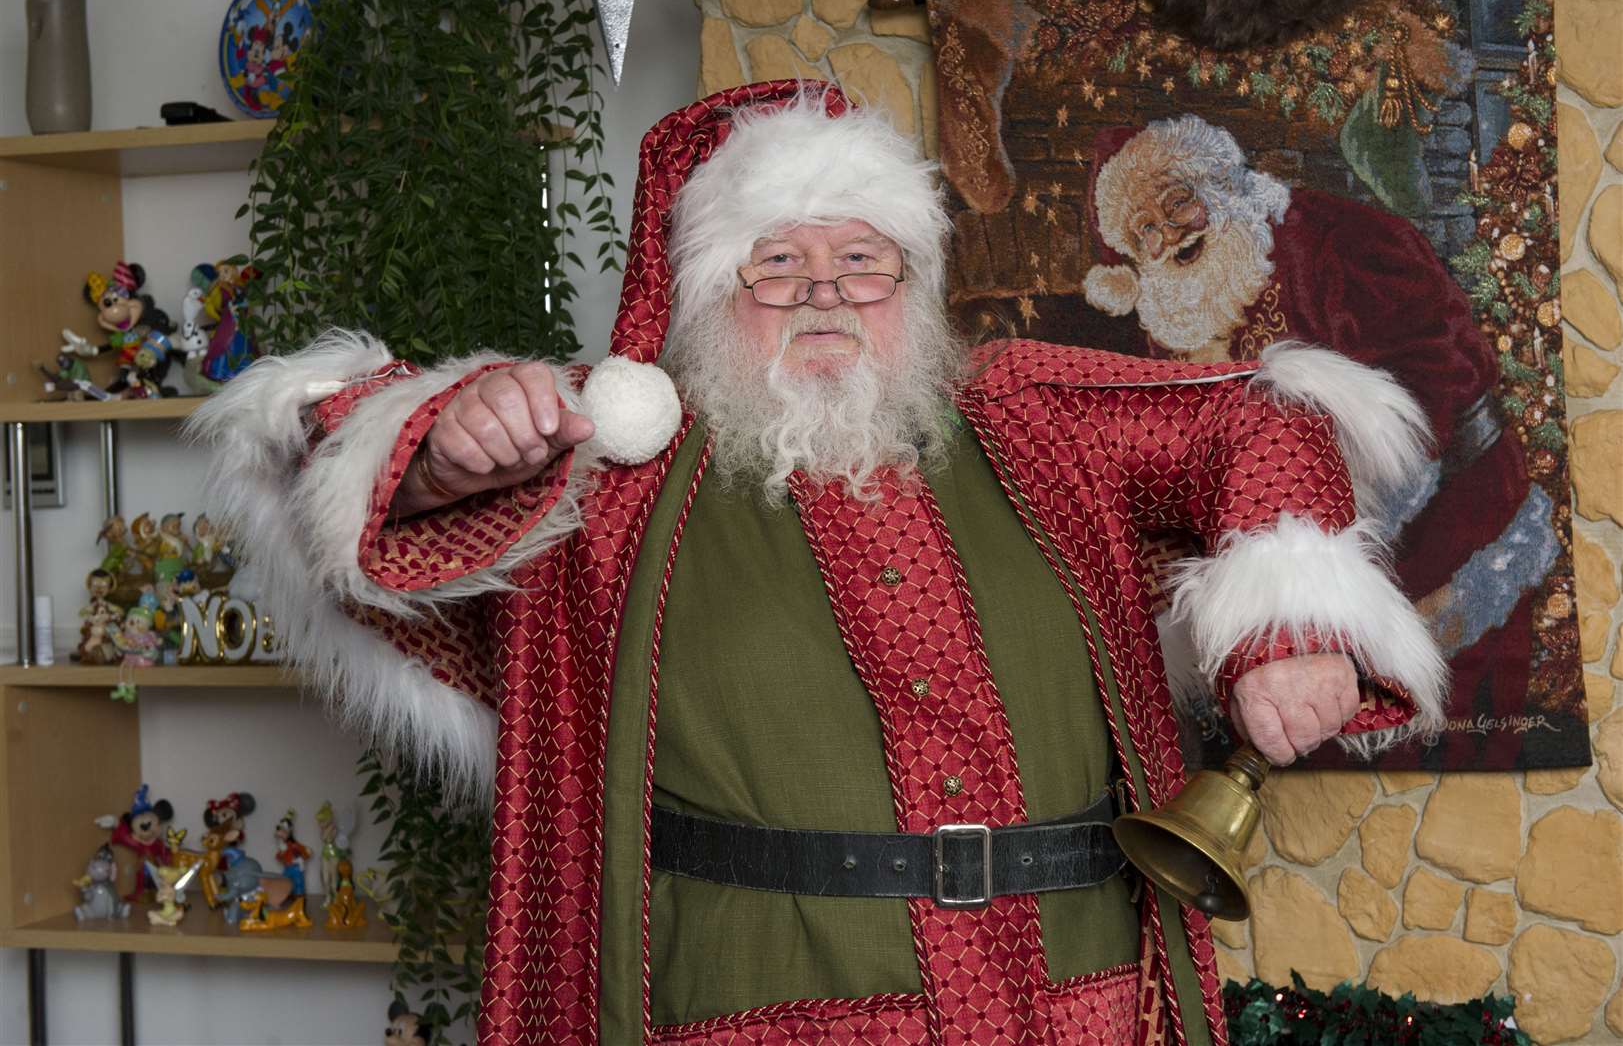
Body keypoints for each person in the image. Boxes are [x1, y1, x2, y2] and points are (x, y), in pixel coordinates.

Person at [192, 84, 1444, 1045]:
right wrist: (441, 455)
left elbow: (1259, 417)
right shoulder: (602, 464)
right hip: (765, 1002)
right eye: (776, 264)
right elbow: (321, 460)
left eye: (864, 260)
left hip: (1075, 998)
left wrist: (1292, 622)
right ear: (700, 300)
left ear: (916, 280)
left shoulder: (1034, 419)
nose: (824, 294)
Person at [1081, 114, 1550, 767]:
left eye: (1179, 201)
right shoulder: (1168, 305)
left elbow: (1433, 374)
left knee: (1449, 735)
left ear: (1220, 179)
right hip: (1296, 572)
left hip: (1445, 517)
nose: (1173, 235)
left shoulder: (1342, 238)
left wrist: (1338, 510)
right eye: (1146, 231)